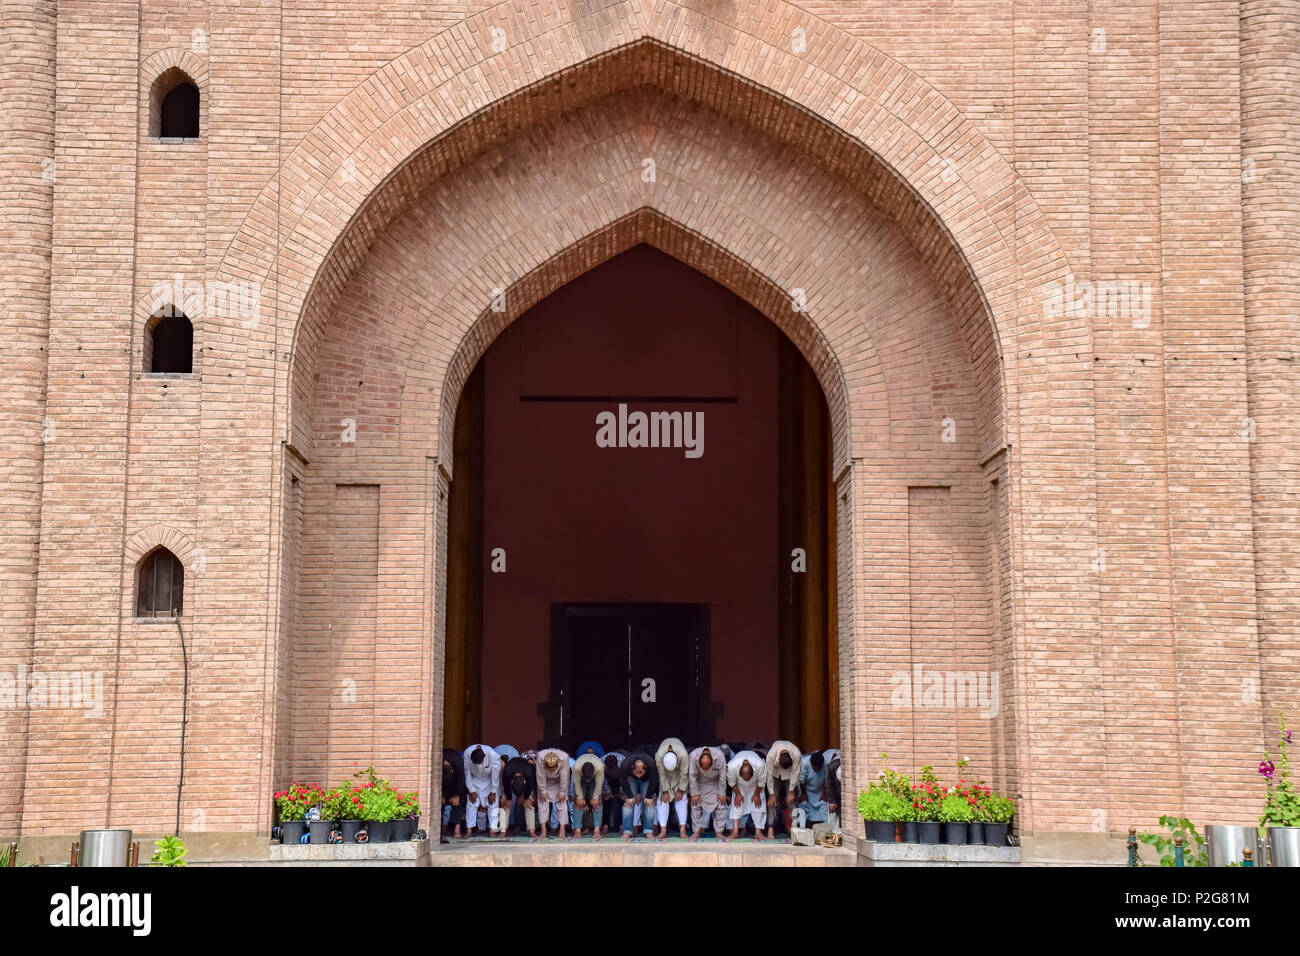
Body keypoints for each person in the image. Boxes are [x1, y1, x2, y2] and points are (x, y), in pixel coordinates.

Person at [687, 745, 728, 841]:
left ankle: (719, 832)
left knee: (721, 804)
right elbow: (692, 776)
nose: (705, 769)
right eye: (703, 766)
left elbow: (723, 775)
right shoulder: (693, 756)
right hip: (700, 782)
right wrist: (694, 794)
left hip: (715, 783)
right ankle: (696, 832)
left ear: (712, 761)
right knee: (695, 804)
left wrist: (722, 793)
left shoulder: (720, 755)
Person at [764, 740, 802, 840]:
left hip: (790, 775)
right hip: (775, 775)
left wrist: (791, 791)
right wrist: (771, 794)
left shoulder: (796, 754)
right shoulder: (771, 755)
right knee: (772, 801)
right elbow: (769, 776)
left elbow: (795, 773)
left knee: (791, 801)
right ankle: (770, 829)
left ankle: (794, 830)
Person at [726, 749, 767, 840]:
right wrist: (738, 794)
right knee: (737, 804)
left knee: (758, 806)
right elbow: (731, 782)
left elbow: (762, 782)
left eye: (748, 778)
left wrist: (756, 794)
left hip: (756, 785)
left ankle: (758, 833)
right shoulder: (732, 766)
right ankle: (735, 832)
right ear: (740, 773)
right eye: (745, 778)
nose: (747, 780)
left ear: (752, 773)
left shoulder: (760, 765)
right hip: (739, 785)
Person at [654, 737, 690, 840]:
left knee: (682, 799)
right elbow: (661, 774)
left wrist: (681, 790)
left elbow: (684, 773)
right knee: (662, 800)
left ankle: (682, 830)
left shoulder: (683, 755)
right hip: (665, 775)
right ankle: (663, 830)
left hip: (679, 775)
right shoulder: (659, 756)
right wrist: (665, 791)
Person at [462, 744, 501, 834]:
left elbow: (495, 774)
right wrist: (471, 790)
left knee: (493, 803)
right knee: (472, 803)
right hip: (474, 780)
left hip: (490, 781)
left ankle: (492, 830)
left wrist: (493, 791)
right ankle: (469, 830)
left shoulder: (493, 755)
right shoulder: (467, 753)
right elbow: (467, 772)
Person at [619, 752, 658, 839]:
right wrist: (629, 796)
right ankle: (627, 831)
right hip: (631, 779)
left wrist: (648, 796)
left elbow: (654, 780)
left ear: (646, 768)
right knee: (628, 804)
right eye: (637, 772)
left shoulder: (651, 764)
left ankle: (648, 830)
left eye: (641, 773)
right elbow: (622, 780)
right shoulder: (626, 764)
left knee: (649, 803)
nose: (639, 775)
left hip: (647, 780)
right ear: (632, 768)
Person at [534, 747, 570, 839]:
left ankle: (562, 829)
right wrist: (543, 790)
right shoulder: (540, 757)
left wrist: (562, 792)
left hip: (559, 781)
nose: (551, 769)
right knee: (542, 802)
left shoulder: (564, 758)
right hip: (545, 781)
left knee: (561, 803)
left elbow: (564, 777)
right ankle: (543, 829)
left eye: (553, 767)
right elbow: (540, 775)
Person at [503, 753, 538, 837]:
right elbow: (506, 786)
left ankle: (531, 830)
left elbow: (530, 786)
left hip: (527, 780)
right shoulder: (507, 772)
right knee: (505, 804)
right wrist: (508, 798)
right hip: (509, 778)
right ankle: (503, 830)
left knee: (529, 804)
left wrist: (526, 798)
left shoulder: (529, 772)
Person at [571, 752, 605, 839]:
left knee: (597, 803)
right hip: (580, 779)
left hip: (595, 779)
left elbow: (599, 784)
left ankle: (596, 830)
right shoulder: (576, 767)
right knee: (578, 803)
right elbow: (576, 783)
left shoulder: (600, 767)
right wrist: (579, 797)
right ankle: (577, 829)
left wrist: (595, 798)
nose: (587, 781)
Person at [797, 750, 831, 825]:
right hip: (805, 788)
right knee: (804, 804)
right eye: (815, 768)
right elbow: (802, 780)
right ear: (811, 763)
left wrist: (823, 793)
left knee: (823, 805)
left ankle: (824, 826)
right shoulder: (804, 763)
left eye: (819, 768)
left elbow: (826, 779)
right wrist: (804, 794)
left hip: (820, 789)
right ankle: (803, 827)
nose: (817, 770)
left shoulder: (826, 763)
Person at [441, 748, 467, 840]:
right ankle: (441, 828)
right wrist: (441, 795)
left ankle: (457, 829)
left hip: (457, 787)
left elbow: (461, 780)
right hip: (443, 787)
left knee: (459, 803)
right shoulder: (438, 763)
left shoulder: (458, 763)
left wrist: (456, 795)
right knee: (438, 804)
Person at [602, 751, 624, 835]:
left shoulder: (623, 763)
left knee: (621, 800)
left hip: (620, 778)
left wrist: (621, 792)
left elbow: (624, 779)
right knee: (608, 800)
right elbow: (603, 780)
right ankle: (605, 825)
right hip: (608, 780)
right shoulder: (601, 765)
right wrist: (608, 792)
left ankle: (622, 825)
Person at [825, 753, 842, 830]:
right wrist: (832, 801)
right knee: (833, 810)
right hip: (835, 792)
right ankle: (834, 832)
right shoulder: (831, 767)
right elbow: (829, 785)